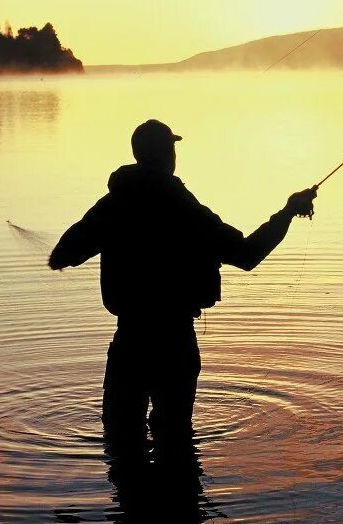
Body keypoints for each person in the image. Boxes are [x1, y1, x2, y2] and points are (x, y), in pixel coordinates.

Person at [48, 118, 317, 446]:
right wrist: (288, 211)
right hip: (174, 343)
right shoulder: (186, 210)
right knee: (174, 438)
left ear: (137, 155)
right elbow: (247, 254)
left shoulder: (111, 205)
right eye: (173, 148)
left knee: (119, 436)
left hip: (129, 343)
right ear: (167, 156)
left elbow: (62, 255)